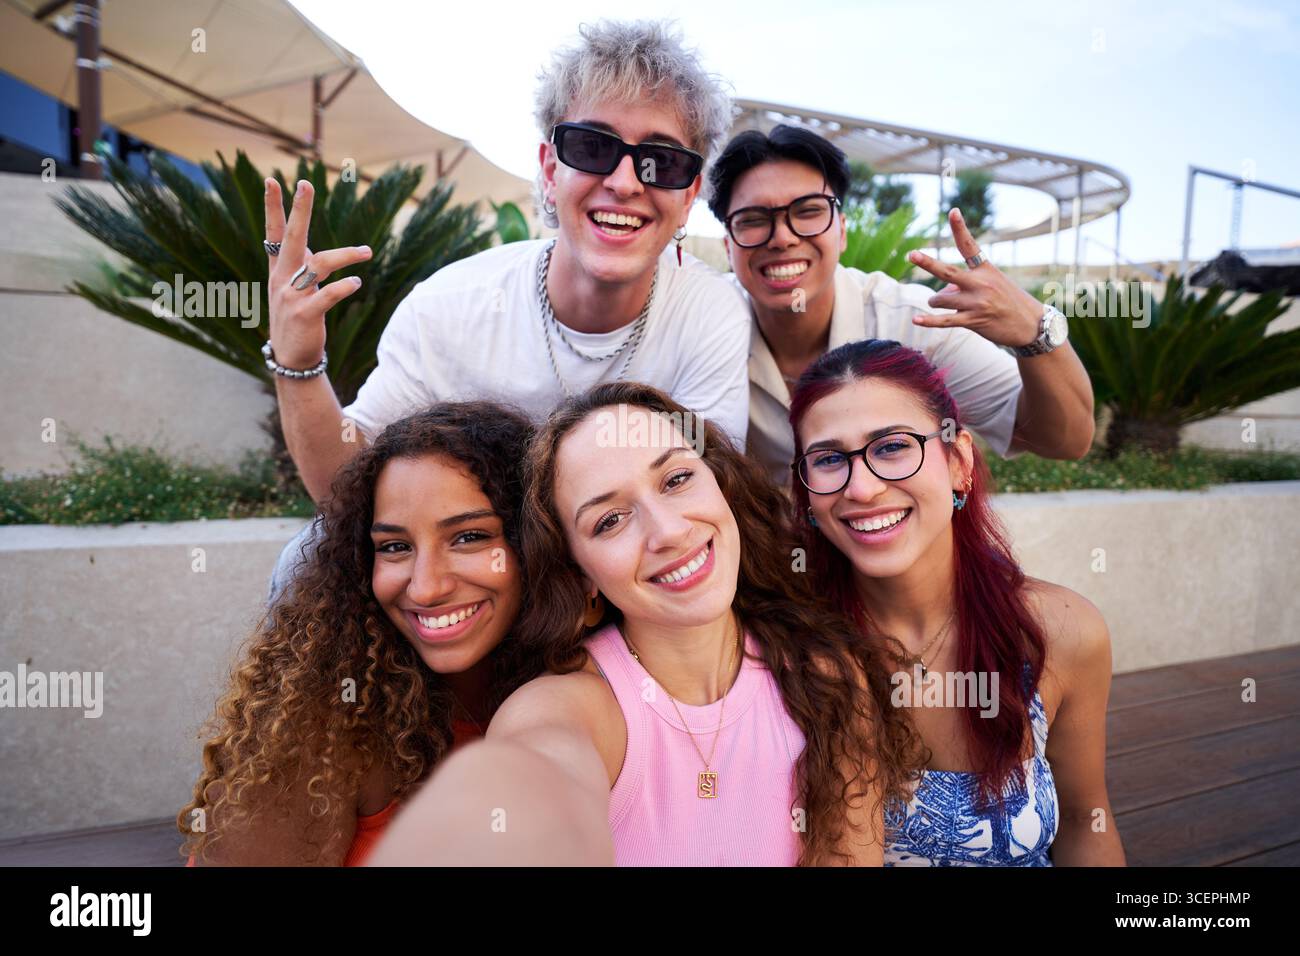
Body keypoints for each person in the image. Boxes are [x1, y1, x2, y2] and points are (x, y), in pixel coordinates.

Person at [264, 19, 749, 600]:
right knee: (301, 562)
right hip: (473, 584)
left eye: (662, 161)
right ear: (549, 170)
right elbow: (344, 490)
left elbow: (700, 512)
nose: (624, 182)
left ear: (690, 194)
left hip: (625, 587)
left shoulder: (709, 312)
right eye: (593, 148)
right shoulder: (452, 306)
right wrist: (299, 361)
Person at [368, 383, 923, 866]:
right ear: (579, 574)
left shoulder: (827, 677)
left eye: (677, 479)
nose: (668, 532)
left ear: (721, 486)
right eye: (610, 520)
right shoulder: (572, 707)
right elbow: (534, 770)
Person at [789, 338, 1126, 866]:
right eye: (830, 458)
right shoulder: (788, 650)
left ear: (959, 462)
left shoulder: (1061, 631)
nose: (863, 487)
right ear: (806, 490)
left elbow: (1088, 822)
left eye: (893, 447)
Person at [182, 403, 539, 865]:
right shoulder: (333, 723)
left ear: (539, 541)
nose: (426, 587)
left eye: (469, 537)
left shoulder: (599, 690)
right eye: (394, 547)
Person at [707, 124, 1096, 489]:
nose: (783, 238)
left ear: (841, 230)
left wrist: (1035, 331)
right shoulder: (703, 324)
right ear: (728, 244)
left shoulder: (914, 322)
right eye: (753, 219)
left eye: (808, 211)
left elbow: (1065, 440)